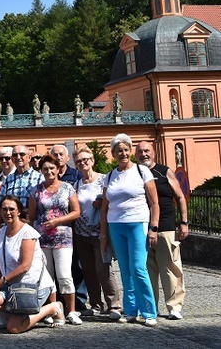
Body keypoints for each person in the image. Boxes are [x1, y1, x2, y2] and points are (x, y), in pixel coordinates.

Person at [100, 133, 160, 326]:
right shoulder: (110, 176)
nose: (123, 154)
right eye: (119, 151)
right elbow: (104, 207)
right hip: (116, 225)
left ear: (130, 151)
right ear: (113, 154)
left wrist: (153, 228)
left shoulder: (142, 171)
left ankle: (149, 311)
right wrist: (103, 233)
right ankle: (131, 310)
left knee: (138, 268)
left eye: (126, 150)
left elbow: (154, 203)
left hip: (137, 222)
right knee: (125, 270)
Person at [0, 196, 64, 333]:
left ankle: (52, 308)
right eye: (4, 209)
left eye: (11, 209)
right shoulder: (2, 232)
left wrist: (1, 282)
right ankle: (18, 313)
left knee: (14, 328)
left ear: (19, 211)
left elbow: (25, 266)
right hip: (11, 286)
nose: (7, 212)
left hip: (30, 286)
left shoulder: (28, 233)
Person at [136, 141, 188, 320]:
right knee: (147, 270)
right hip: (142, 228)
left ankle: (174, 307)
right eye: (140, 152)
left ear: (154, 153)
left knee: (170, 268)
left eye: (147, 151)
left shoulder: (164, 171)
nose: (144, 154)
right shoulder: (134, 173)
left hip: (165, 227)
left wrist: (184, 222)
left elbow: (180, 197)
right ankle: (151, 307)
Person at [28, 155, 81, 325]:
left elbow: (76, 212)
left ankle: (71, 311)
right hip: (42, 239)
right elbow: (31, 216)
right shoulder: (35, 191)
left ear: (58, 169)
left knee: (65, 275)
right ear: (41, 171)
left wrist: (58, 221)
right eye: (45, 169)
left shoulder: (67, 188)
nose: (49, 171)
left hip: (63, 238)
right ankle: (52, 310)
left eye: (52, 168)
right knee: (47, 277)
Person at [72, 147, 121, 319]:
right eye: (79, 161)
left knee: (104, 269)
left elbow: (113, 199)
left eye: (85, 159)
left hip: (101, 231)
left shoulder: (103, 180)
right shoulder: (76, 184)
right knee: (89, 270)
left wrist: (102, 202)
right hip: (81, 233)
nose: (83, 163)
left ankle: (114, 304)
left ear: (92, 160)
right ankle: (96, 304)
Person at [0, 145, 43, 226]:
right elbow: (0, 206)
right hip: (11, 226)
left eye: (22, 154)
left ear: (29, 157)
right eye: (14, 155)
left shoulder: (40, 178)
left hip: (33, 225)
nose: (18, 157)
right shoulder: (8, 180)